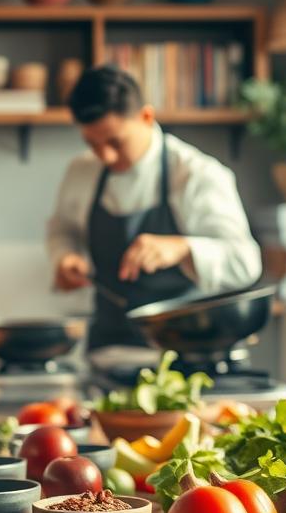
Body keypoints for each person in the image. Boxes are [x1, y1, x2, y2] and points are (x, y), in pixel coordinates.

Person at [47, 66, 262, 349]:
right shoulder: (81, 170)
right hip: (111, 347)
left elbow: (246, 263)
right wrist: (66, 257)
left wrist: (182, 248)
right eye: (93, 144)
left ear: (146, 117)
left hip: (188, 349)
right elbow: (63, 227)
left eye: (115, 142)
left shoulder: (197, 174)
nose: (106, 156)